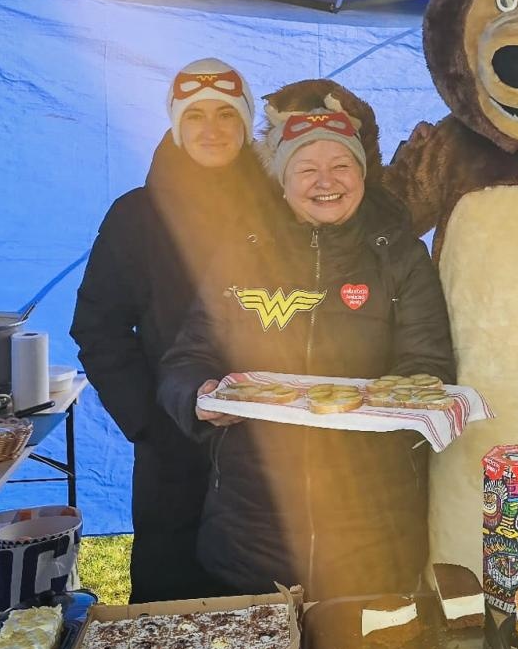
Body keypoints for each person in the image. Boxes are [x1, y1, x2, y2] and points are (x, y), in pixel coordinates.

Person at [158, 81, 454, 601]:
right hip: (253, 522)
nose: (326, 182)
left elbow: (428, 364)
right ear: (282, 179)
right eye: (306, 169)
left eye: (341, 165)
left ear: (361, 173)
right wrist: (197, 396)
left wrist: (379, 409)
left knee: (367, 640)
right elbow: (187, 357)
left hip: (373, 521)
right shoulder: (242, 252)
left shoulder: (400, 256)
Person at [70, 58, 269, 602]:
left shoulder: (281, 211)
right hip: (175, 445)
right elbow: (98, 327)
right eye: (195, 115)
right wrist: (152, 421)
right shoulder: (136, 216)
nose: (211, 129)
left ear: (246, 123)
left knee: (266, 604)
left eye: (226, 114)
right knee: (171, 604)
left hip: (269, 447)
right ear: (176, 126)